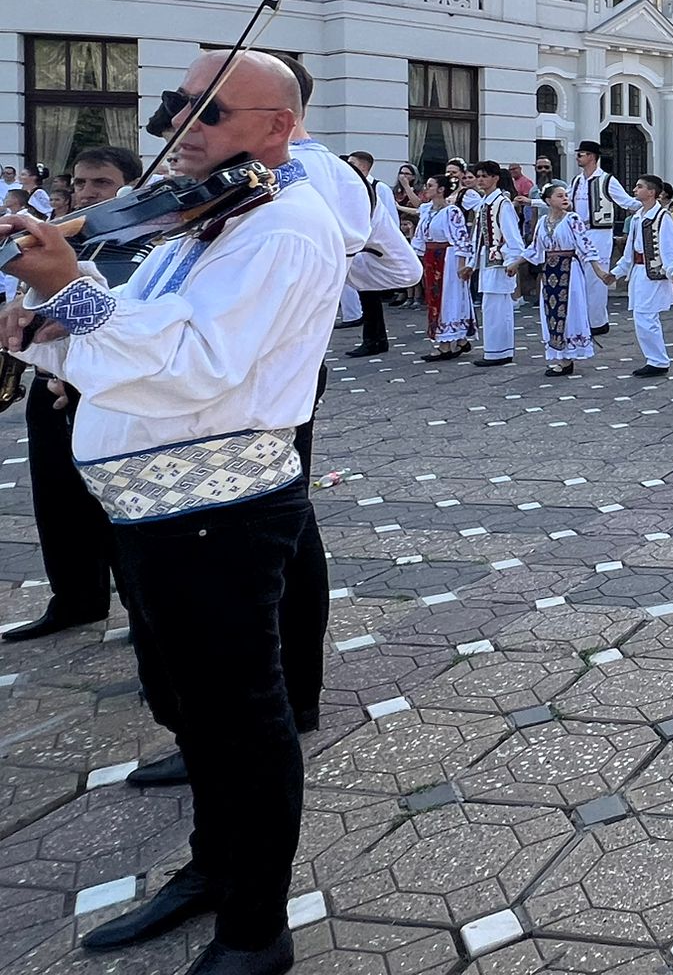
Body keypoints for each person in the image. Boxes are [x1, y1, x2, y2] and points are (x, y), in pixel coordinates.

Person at [2, 50, 346, 975]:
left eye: (212, 112)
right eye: (178, 106)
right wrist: (55, 320)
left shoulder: (284, 227)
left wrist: (68, 296)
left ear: (277, 129)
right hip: (153, 507)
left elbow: (199, 365)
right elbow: (141, 324)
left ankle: (255, 927)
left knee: (243, 720)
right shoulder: (205, 216)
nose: (183, 127)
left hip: (218, 511)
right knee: (189, 710)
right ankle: (213, 868)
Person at [5, 145, 146, 644]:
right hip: (50, 382)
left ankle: (139, 606)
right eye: (80, 183)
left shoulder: (139, 244)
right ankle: (75, 598)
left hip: (101, 388)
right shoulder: (61, 236)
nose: (86, 193)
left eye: (101, 185)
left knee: (115, 499)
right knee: (56, 497)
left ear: (128, 190)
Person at [522, 182, 611, 377]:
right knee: (550, 311)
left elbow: (585, 245)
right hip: (550, 272)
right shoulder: (542, 222)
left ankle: (568, 356)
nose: (564, 199)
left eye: (565, 196)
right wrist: (514, 264)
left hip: (569, 270)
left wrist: (599, 271)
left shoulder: (572, 219)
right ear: (548, 200)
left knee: (570, 310)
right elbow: (535, 249)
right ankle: (560, 356)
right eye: (559, 196)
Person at [340, 151, 421, 359]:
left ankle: (375, 339)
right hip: (360, 251)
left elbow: (390, 220)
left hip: (376, 250)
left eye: (353, 164)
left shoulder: (379, 188)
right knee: (365, 294)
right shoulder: (351, 187)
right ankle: (373, 338)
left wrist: (388, 248)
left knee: (371, 294)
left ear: (364, 167)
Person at [612, 175, 673, 378]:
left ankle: (658, 360)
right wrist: (617, 272)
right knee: (641, 316)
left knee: (646, 316)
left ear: (651, 192)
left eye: (639, 187)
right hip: (638, 271)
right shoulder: (637, 217)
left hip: (653, 273)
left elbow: (671, 248)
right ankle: (655, 358)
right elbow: (630, 250)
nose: (635, 190)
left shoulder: (662, 217)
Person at [568, 142, 634, 335]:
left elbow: (626, 201)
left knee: (596, 277)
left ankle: (597, 322)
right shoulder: (577, 181)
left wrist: (649, 205)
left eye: (582, 154)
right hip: (580, 232)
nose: (578, 157)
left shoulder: (607, 180)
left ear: (592, 156)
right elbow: (566, 201)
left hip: (599, 231)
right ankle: (585, 319)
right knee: (580, 276)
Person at [463, 161, 523, 367]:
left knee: (499, 308)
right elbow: (478, 238)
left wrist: (513, 261)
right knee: (490, 307)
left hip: (500, 262)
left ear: (495, 178)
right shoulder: (484, 203)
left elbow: (512, 235)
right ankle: (495, 350)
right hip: (487, 261)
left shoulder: (502, 203)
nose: (480, 179)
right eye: (478, 176)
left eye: (484, 176)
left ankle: (499, 352)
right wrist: (472, 263)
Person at [411, 173, 474, 361]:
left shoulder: (451, 211)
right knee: (434, 297)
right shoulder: (427, 210)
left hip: (448, 258)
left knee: (448, 298)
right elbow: (420, 238)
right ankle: (459, 339)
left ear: (441, 189)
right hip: (432, 258)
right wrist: (417, 258)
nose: (426, 188)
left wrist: (463, 265)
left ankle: (445, 344)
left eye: (430, 185)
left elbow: (462, 239)